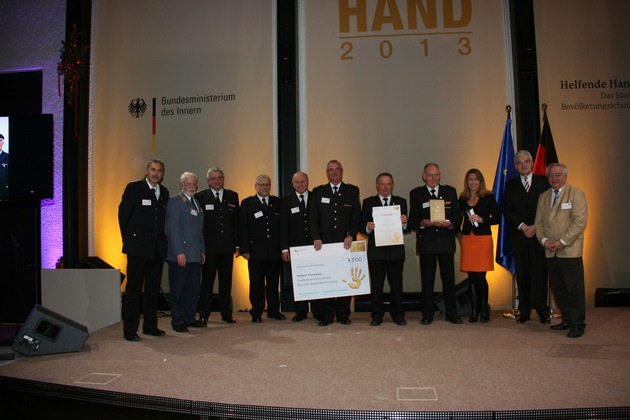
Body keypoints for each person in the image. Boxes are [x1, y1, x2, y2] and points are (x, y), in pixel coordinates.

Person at [118, 159, 169, 341]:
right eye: (153, 169)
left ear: (162, 174)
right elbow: (123, 215)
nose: (156, 173)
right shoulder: (134, 188)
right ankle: (130, 330)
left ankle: (150, 326)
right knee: (133, 290)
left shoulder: (164, 192)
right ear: (146, 171)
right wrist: (129, 240)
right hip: (138, 248)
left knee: (152, 290)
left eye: (159, 171)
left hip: (156, 249)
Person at [535, 163, 588, 338]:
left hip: (569, 250)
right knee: (558, 288)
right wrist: (544, 241)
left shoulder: (576, 194)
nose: (554, 178)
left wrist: (562, 241)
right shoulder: (543, 196)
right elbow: (539, 223)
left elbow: (579, 222)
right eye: (551, 175)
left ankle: (578, 324)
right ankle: (567, 319)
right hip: (550, 250)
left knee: (574, 289)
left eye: (558, 175)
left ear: (565, 176)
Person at [408, 163, 462, 325]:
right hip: (427, 243)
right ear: (424, 176)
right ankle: (427, 313)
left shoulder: (449, 191)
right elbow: (413, 219)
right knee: (427, 281)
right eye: (430, 175)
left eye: (437, 175)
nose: (434, 178)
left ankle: (451, 312)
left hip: (445, 241)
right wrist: (423, 223)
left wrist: (451, 223)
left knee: (448, 280)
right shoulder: (416, 193)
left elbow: (457, 215)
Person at [309, 159, 361, 326]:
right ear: (326, 173)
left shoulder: (352, 191)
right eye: (331, 170)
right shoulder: (318, 191)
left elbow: (356, 216)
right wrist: (316, 236)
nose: (334, 172)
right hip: (325, 245)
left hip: (346, 242)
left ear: (342, 171)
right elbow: (313, 218)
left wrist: (351, 235)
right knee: (328, 281)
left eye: (337, 169)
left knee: (346, 279)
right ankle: (327, 315)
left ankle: (343, 314)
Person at [503, 150, 551, 324]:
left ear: (532, 164)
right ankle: (523, 310)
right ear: (515, 166)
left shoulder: (544, 182)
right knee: (522, 276)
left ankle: (542, 310)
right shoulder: (510, 185)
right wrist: (523, 226)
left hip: (539, 237)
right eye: (519, 163)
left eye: (526, 162)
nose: (523, 165)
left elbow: (549, 209)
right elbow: (507, 210)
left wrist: (535, 227)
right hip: (519, 236)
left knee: (540, 274)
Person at [360, 172, 408, 326]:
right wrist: (367, 228)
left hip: (395, 251)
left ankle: (398, 314)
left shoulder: (401, 202)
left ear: (392, 185)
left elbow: (407, 229)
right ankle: (377, 315)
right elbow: (362, 227)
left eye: (388, 184)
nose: (385, 187)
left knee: (397, 286)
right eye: (382, 184)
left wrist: (404, 222)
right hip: (376, 252)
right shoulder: (368, 202)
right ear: (377, 186)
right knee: (377, 286)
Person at [194, 167, 239, 325]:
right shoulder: (200, 197)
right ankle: (203, 314)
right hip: (208, 249)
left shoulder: (232, 196)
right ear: (208, 181)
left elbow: (236, 224)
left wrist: (238, 245)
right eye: (213, 178)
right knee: (206, 283)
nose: (217, 181)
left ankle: (226, 314)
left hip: (227, 248)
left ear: (223, 179)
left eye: (219, 177)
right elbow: (197, 226)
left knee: (226, 284)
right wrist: (199, 248)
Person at [239, 175, 284, 323]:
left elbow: (282, 228)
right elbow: (243, 228)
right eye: (262, 185)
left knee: (272, 283)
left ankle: (273, 311)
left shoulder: (278, 203)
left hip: (274, 251)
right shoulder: (247, 204)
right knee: (256, 284)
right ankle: (256, 312)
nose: (265, 187)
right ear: (256, 186)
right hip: (255, 252)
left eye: (267, 185)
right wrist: (245, 249)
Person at [166, 172, 206, 333]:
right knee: (178, 290)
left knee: (192, 289)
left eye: (193, 183)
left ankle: (189, 317)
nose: (191, 186)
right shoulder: (175, 202)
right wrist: (179, 252)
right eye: (188, 183)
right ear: (181, 185)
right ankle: (178, 320)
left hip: (195, 255)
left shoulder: (196, 203)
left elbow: (199, 231)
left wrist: (202, 250)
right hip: (181, 255)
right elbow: (172, 229)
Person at [457, 168, 499, 323]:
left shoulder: (488, 197)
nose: (473, 182)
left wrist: (482, 219)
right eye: (470, 179)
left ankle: (484, 309)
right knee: (472, 277)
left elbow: (497, 218)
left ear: (480, 181)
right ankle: (474, 309)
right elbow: (456, 218)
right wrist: (459, 235)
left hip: (483, 240)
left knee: (481, 276)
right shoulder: (462, 199)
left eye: (475, 179)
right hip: (468, 240)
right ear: (466, 182)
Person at [280, 171, 319, 322]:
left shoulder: (316, 198)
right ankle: (301, 312)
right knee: (299, 281)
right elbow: (283, 227)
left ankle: (316, 311)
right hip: (296, 249)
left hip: (315, 247)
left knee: (316, 279)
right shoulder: (286, 202)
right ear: (292, 184)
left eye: (303, 181)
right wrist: (284, 249)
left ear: (308, 182)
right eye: (297, 182)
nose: (300, 184)